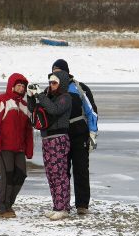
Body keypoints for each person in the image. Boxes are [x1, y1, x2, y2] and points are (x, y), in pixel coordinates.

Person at [51, 59, 98, 215]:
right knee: (61, 172)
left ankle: (82, 205)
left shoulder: (80, 88)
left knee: (81, 170)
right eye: (54, 72)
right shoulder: (51, 88)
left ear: (66, 72)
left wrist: (93, 134)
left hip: (79, 135)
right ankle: (62, 205)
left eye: (59, 71)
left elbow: (92, 112)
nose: (56, 75)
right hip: (59, 137)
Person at [27, 70, 72, 220]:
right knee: (51, 174)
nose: (51, 86)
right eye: (50, 83)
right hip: (47, 139)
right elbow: (33, 110)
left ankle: (62, 208)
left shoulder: (66, 98)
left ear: (61, 83)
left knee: (59, 174)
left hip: (58, 139)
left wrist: (40, 95)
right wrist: (31, 96)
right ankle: (57, 206)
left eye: (54, 83)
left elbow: (54, 110)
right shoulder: (48, 96)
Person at [0, 73, 33, 219]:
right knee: (6, 176)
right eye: (19, 85)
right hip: (4, 147)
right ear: (12, 85)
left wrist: (29, 149)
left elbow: (28, 130)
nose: (21, 88)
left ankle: (9, 204)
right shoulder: (2, 100)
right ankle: (1, 207)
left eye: (23, 86)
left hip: (19, 149)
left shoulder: (25, 105)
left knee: (20, 175)